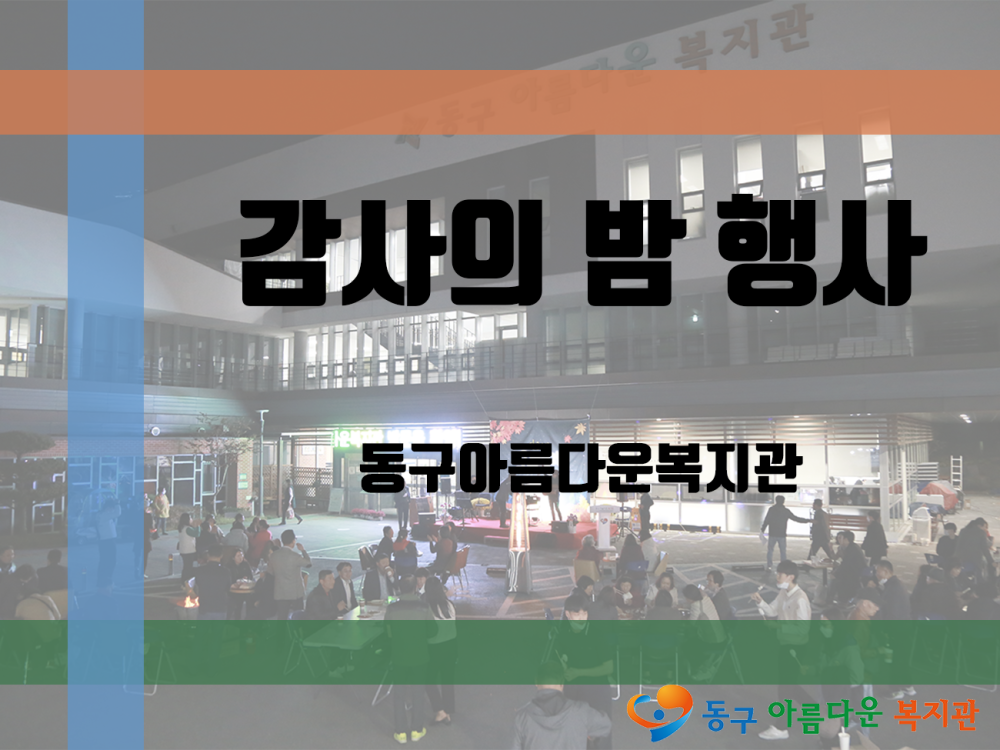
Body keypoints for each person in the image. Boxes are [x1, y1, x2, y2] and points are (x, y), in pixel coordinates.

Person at [751, 560, 813, 741]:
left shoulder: (800, 599)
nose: (777, 577)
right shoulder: (783, 593)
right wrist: (761, 602)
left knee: (785, 687)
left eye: (780, 574)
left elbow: (804, 628)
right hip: (785, 644)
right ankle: (814, 709)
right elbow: (772, 611)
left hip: (796, 648)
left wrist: (779, 627)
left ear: (790, 577)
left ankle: (782, 727)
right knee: (789, 684)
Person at [555, 595, 614, 749]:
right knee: (575, 734)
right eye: (577, 614)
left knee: (600, 738)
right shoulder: (563, 633)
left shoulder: (598, 634)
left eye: (584, 613)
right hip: (573, 692)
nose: (582, 618)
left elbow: (608, 668)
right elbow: (562, 657)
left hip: (597, 692)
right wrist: (563, 665)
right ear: (568, 614)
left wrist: (578, 672)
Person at [512, 660, 612, 750]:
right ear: (562, 683)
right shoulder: (581, 711)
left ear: (536, 682)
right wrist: (588, 730)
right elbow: (606, 726)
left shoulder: (521, 717)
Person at [385, 575, 437, 744]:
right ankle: (416, 730)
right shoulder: (424, 607)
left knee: (399, 694)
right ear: (415, 587)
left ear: (400, 588)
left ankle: (400, 732)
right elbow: (432, 631)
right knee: (418, 693)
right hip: (420, 656)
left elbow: (388, 633)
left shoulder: (392, 608)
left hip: (399, 656)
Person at [424, 575, 458, 725]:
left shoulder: (427, 608)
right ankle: (448, 711)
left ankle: (440, 710)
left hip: (434, 647)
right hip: (451, 645)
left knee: (428, 679)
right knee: (447, 679)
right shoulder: (449, 605)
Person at [268, 529, 312, 620]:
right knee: (298, 618)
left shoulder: (274, 555)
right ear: (293, 541)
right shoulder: (295, 556)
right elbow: (308, 563)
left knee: (282, 617)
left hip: (280, 591)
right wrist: (303, 550)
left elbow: (270, 572)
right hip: (295, 592)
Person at [760, 495, 809, 571]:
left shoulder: (771, 510)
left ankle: (769, 565)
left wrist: (762, 529)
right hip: (782, 534)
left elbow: (767, 520)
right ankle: (783, 566)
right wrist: (807, 520)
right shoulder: (786, 511)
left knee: (770, 550)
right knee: (783, 551)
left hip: (772, 533)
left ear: (776, 501)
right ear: (783, 501)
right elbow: (795, 518)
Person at [191, 545, 232, 620]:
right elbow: (228, 588)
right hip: (220, 608)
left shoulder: (199, 571)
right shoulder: (226, 572)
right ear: (221, 556)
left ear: (208, 555)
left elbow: (192, 587)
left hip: (204, 608)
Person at [831, 530, 866, 604]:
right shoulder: (849, 547)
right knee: (838, 577)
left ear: (846, 539)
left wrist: (836, 573)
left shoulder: (852, 549)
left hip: (856, 572)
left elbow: (846, 564)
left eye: (841, 538)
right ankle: (841, 599)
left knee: (837, 580)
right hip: (852, 570)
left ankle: (842, 600)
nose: (838, 540)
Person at [94, 497, 121, 590]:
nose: (113, 510)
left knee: (104, 562)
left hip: (104, 541)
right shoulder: (104, 515)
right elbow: (118, 513)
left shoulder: (101, 514)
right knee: (110, 562)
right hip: (108, 541)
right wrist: (117, 504)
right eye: (112, 508)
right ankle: (107, 582)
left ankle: (102, 582)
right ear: (108, 507)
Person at [957, 518, 994, 582]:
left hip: (962, 559)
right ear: (979, 525)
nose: (985, 529)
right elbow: (985, 549)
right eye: (984, 527)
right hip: (975, 560)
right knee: (982, 569)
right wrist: (991, 561)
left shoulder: (963, 531)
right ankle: (981, 584)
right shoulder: (981, 533)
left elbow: (958, 545)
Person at [176, 512, 201, 583]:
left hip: (184, 550)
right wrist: (198, 526)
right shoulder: (187, 529)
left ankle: (184, 581)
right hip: (188, 551)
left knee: (186, 567)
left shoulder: (182, 528)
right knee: (188, 568)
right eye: (190, 518)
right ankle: (185, 582)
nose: (192, 519)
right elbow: (197, 534)